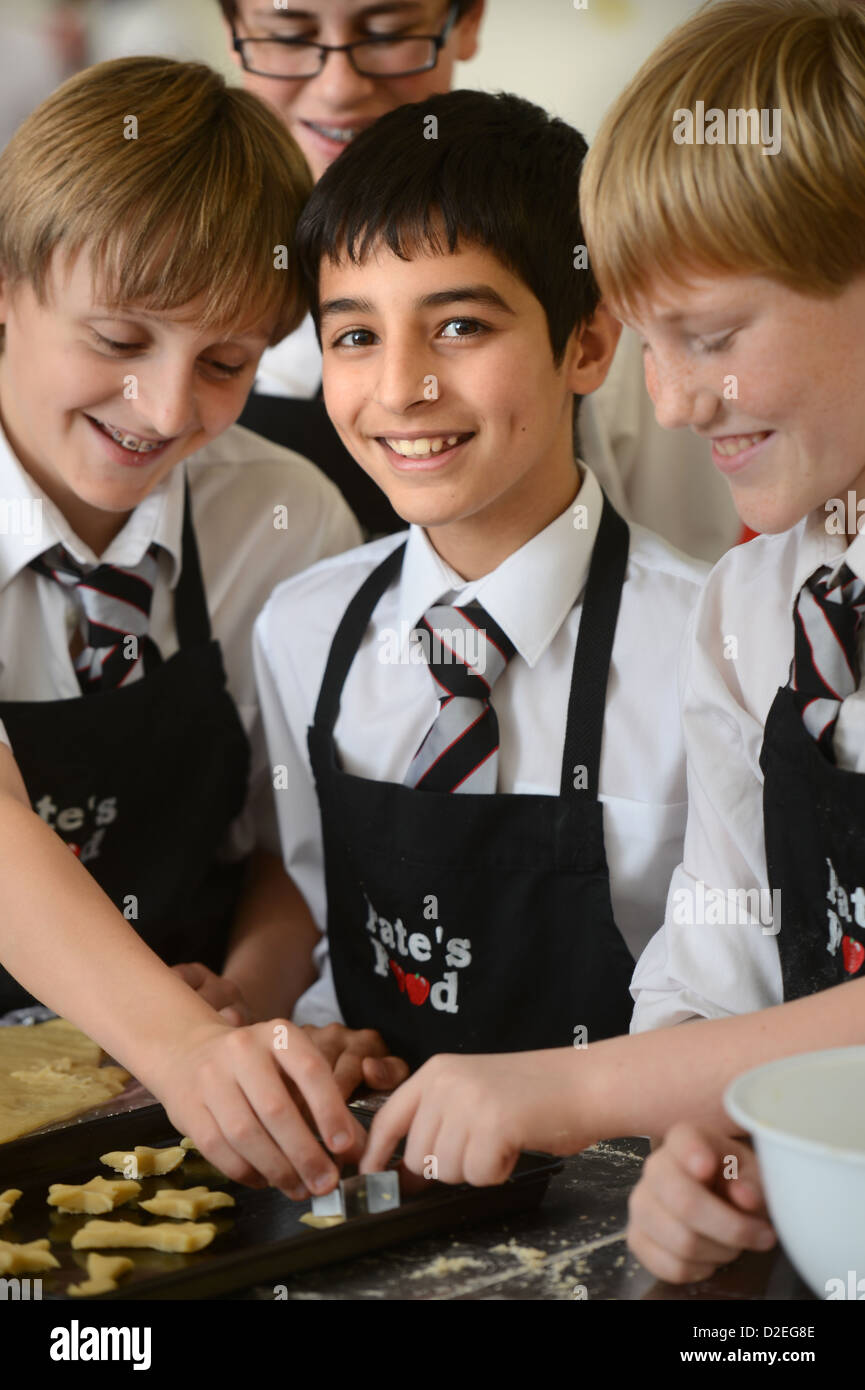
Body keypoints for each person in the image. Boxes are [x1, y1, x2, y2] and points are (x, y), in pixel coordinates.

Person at [355, 0, 865, 1286]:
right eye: (651, 343)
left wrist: (576, 1089)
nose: (676, 400)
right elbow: (718, 960)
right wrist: (711, 1148)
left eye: (711, 336)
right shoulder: (756, 612)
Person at [0, 56, 405, 1200]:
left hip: (168, 1118)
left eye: (224, 362)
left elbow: (296, 842)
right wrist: (180, 1041)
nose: (168, 410)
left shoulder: (286, 518)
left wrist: (244, 1002)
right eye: (120, 342)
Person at [252, 89, 706, 1089]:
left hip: (641, 1183)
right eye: (355, 336)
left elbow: (742, 996)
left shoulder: (708, 644)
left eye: (457, 325)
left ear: (585, 344)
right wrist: (327, 1036)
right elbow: (333, 931)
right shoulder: (300, 631)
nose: (402, 388)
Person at [218, 0, 741, 560]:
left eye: (386, 32)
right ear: (234, 32)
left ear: (466, 22)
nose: (339, 86)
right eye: (291, 36)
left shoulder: (590, 268)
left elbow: (693, 567)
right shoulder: (196, 289)